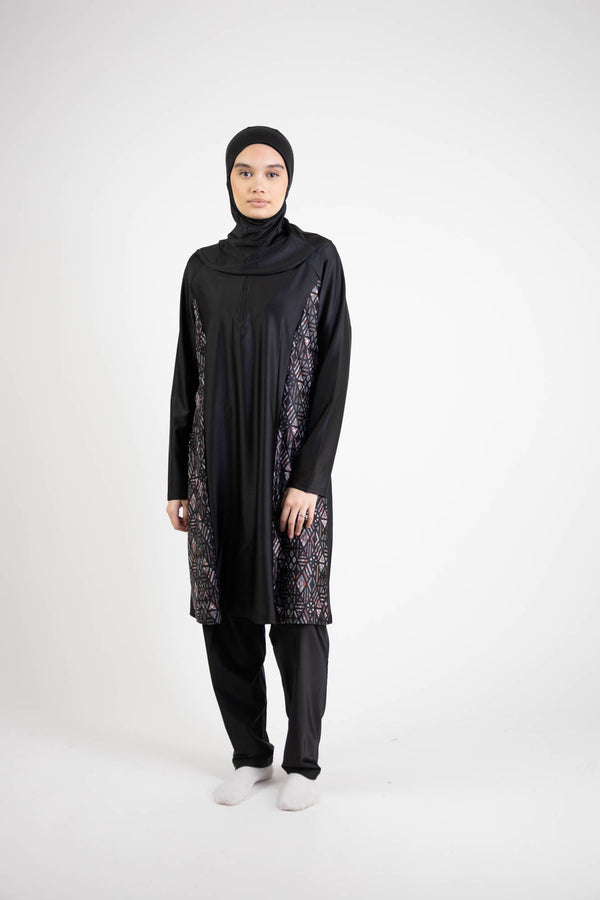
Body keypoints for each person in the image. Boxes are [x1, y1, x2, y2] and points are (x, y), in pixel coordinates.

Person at [166, 125, 352, 811]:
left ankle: (303, 763)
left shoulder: (317, 260)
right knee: (225, 617)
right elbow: (187, 375)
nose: (258, 184)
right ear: (228, 179)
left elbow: (333, 374)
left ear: (289, 181)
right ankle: (249, 755)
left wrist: (310, 478)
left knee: (298, 617)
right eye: (245, 171)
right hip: (215, 470)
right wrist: (178, 480)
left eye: (272, 172)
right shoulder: (202, 268)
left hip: (290, 477)